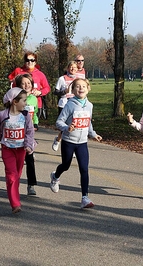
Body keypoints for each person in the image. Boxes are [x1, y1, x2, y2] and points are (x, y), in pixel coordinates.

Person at [50, 78, 102, 209]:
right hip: (69, 141)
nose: (81, 88)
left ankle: (85, 197)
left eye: (83, 86)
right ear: (72, 90)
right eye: (77, 86)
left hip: (82, 143)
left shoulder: (89, 106)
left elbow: (88, 122)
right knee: (66, 165)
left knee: (84, 169)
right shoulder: (70, 105)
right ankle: (55, 176)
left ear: (88, 89)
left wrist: (93, 134)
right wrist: (67, 128)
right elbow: (59, 122)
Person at [0, 87, 36, 213]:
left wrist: (28, 145)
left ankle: (14, 194)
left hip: (21, 150)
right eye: (24, 100)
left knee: (17, 175)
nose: (26, 103)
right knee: (12, 176)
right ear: (14, 102)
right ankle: (15, 204)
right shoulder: (2, 115)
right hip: (7, 149)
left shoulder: (26, 116)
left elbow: (29, 131)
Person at [14, 73, 38, 195]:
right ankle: (14, 182)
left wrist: (36, 124)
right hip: (17, 132)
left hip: (29, 133)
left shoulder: (34, 99)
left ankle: (31, 185)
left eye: (28, 83)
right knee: (18, 160)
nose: (26, 85)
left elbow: (36, 114)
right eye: (23, 83)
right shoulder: (15, 98)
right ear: (19, 86)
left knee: (30, 159)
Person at [8, 51, 50, 120]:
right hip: (20, 103)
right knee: (20, 124)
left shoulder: (40, 74)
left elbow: (47, 88)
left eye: (32, 60)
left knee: (32, 125)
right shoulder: (19, 72)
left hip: (35, 104)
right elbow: (12, 84)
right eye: (27, 60)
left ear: (35, 62)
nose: (30, 62)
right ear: (25, 62)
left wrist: (40, 92)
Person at [52, 61, 78, 152]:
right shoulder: (62, 79)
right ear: (68, 68)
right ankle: (58, 140)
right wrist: (64, 92)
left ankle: (72, 148)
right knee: (65, 126)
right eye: (71, 67)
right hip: (63, 104)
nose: (73, 69)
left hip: (75, 105)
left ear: (77, 69)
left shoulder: (78, 80)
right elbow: (55, 92)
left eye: (75, 67)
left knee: (74, 126)